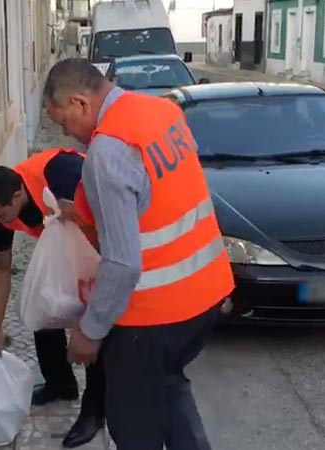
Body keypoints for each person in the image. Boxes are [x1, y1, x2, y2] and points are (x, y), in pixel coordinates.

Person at [42, 58, 235, 450]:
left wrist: (89, 331)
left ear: (80, 103)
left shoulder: (108, 152)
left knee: (134, 428)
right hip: (207, 294)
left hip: (153, 318)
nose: (68, 135)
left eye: (64, 123)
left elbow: (123, 262)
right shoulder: (162, 111)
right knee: (169, 388)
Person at [0, 148, 105, 448]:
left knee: (96, 323)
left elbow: (108, 218)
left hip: (98, 243)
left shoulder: (63, 172)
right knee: (44, 306)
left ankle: (95, 410)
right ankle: (60, 384)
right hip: (62, 245)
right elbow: (2, 268)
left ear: (17, 195)